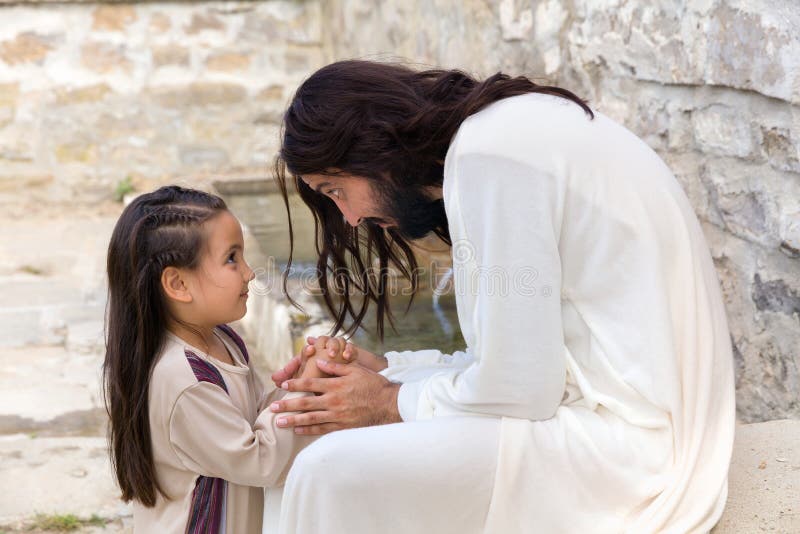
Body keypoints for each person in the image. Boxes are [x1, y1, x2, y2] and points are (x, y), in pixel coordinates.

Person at [268, 60, 736, 533]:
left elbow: (519, 389)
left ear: (368, 151)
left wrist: (385, 402)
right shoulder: (499, 134)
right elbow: (517, 368)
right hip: (622, 414)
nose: (348, 218)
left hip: (630, 449)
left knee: (325, 469)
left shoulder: (488, 157)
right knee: (317, 427)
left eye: (336, 191)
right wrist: (388, 370)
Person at [102, 185, 353, 533]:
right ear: (178, 283)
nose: (249, 272)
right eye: (232, 258)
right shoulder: (184, 379)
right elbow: (259, 459)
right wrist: (305, 396)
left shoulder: (221, 340)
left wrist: (301, 383)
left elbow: (246, 420)